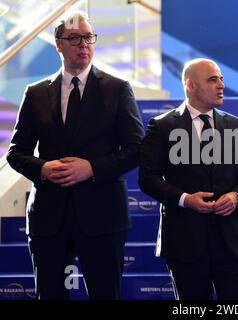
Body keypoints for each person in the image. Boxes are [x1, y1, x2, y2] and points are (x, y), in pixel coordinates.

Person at [7, 11, 145, 299]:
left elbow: (137, 150)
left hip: (102, 214)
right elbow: (16, 153)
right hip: (49, 215)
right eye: (74, 38)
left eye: (88, 37)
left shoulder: (118, 88)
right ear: (58, 44)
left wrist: (91, 168)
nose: (83, 44)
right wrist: (43, 169)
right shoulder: (34, 93)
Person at [138, 58, 238, 300]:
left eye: (221, 79)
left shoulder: (237, 126)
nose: (221, 85)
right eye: (213, 79)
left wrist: (236, 197)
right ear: (190, 85)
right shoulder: (161, 127)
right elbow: (147, 178)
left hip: (231, 244)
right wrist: (184, 199)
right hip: (185, 243)